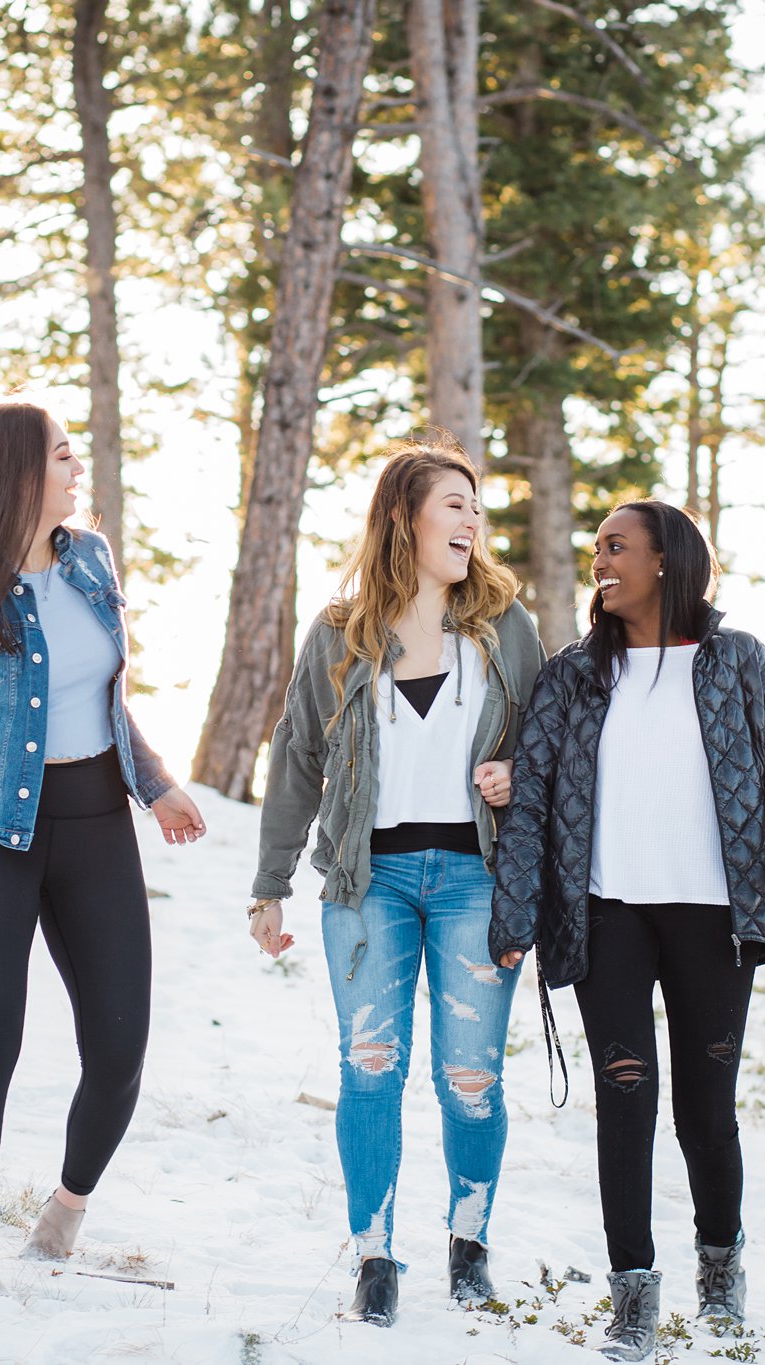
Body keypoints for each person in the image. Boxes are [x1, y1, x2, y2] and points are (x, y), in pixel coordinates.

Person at [489, 499, 765, 1360]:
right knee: (625, 1104)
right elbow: (532, 802)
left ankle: (720, 1270)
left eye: (616, 546)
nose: (601, 561)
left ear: (667, 559)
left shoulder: (737, 661)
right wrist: (516, 914)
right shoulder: (571, 674)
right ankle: (632, 1296)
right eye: (596, 547)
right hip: (606, 915)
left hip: (714, 917)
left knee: (707, 1110)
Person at [0, 399, 206, 1297]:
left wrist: (156, 780)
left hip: (97, 820)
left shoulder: (90, 560)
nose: (74, 467)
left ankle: (65, 1206)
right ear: (19, 472)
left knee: (121, 1045)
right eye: (61, 455)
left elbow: (101, 698)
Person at [249, 436, 545, 1325]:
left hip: (474, 880)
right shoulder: (342, 633)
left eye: (476, 506)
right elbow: (297, 757)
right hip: (366, 880)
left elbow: (550, 746)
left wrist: (517, 775)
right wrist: (270, 884)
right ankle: (375, 1257)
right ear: (402, 516)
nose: (472, 520)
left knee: (471, 1076)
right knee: (369, 1067)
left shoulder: (505, 626)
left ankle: (469, 1243)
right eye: (454, 502)